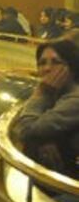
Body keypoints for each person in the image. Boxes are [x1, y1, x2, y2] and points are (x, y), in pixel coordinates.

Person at [12, 38, 79, 185]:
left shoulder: (75, 99)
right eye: (42, 63)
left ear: (72, 67)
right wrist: (43, 139)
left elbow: (25, 131)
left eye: (56, 62)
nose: (47, 68)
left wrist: (39, 94)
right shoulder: (55, 93)